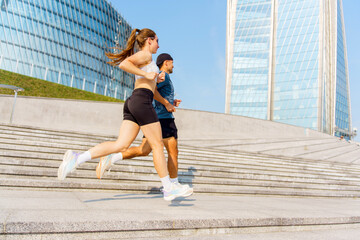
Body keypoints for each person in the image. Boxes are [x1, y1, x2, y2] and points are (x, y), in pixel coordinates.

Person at [57, 28, 190, 201]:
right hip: (142, 102)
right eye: (157, 40)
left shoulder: (147, 61)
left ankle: (77, 158)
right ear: (149, 40)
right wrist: (146, 74)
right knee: (157, 145)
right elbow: (124, 64)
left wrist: (163, 98)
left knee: (121, 144)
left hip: (134, 102)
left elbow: (151, 88)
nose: (159, 45)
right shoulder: (146, 56)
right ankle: (168, 188)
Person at [96, 53, 193, 196]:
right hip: (163, 119)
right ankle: (173, 184)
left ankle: (112, 157)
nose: (173, 66)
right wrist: (166, 104)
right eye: (172, 63)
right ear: (166, 63)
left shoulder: (163, 76)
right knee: (173, 151)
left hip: (154, 118)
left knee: (144, 150)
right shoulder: (163, 75)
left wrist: (171, 102)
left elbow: (155, 93)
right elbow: (151, 90)